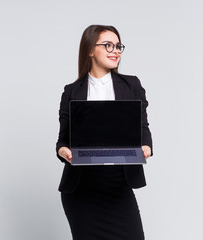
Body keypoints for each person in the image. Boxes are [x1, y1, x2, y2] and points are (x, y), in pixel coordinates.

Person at [56, 25, 153, 240]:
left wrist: (146, 147)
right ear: (90, 49)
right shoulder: (72, 91)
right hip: (82, 188)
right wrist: (64, 151)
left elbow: (142, 127)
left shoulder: (132, 85)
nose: (115, 50)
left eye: (118, 46)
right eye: (108, 45)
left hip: (118, 184)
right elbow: (63, 140)